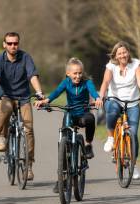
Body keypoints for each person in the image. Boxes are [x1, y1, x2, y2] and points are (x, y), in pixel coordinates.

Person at [35, 57, 102, 192]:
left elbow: (93, 92)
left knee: (90, 119)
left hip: (83, 113)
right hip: (70, 114)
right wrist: (45, 101)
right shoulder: (66, 83)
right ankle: (62, 179)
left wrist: (97, 98)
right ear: (68, 74)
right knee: (63, 143)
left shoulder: (87, 82)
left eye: (80, 73)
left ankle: (88, 145)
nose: (77, 76)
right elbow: (56, 93)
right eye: (74, 73)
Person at [0, 32, 44, 181]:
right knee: (5, 109)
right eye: (10, 43)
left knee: (29, 129)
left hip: (23, 97)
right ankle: (2, 137)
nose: (13, 46)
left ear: (18, 44)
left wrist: (39, 92)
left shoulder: (25, 57)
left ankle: (29, 166)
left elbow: (32, 76)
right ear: (4, 44)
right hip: (5, 95)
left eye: (15, 43)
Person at [98, 41, 140, 180]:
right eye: (120, 53)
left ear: (128, 52)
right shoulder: (111, 66)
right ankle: (110, 137)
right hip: (114, 99)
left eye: (125, 52)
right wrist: (101, 96)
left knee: (133, 134)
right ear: (115, 55)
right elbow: (105, 82)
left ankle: (132, 165)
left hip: (132, 102)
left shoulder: (135, 64)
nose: (123, 55)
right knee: (113, 111)